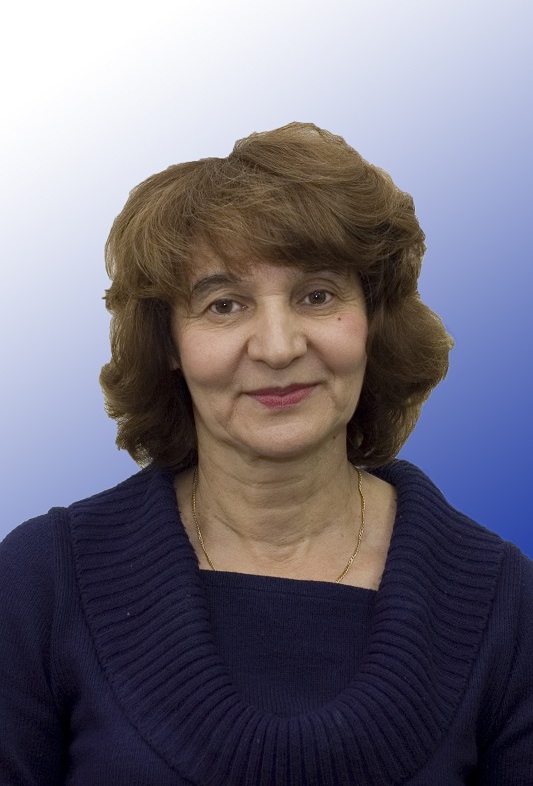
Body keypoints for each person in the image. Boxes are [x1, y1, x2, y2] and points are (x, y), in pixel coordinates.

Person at [1, 123, 532, 786]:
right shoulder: (40, 584)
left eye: (317, 295)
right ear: (166, 344)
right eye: (224, 305)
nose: (278, 347)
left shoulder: (505, 603)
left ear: (374, 320)